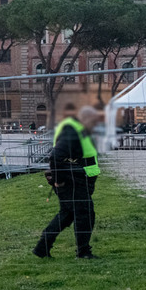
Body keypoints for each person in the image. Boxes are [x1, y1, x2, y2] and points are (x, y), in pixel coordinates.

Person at [35, 105, 102, 259]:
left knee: (67, 215)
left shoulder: (79, 128)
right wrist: (58, 181)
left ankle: (42, 248)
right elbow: (55, 156)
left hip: (78, 180)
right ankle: (83, 251)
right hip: (73, 182)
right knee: (85, 215)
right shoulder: (72, 131)